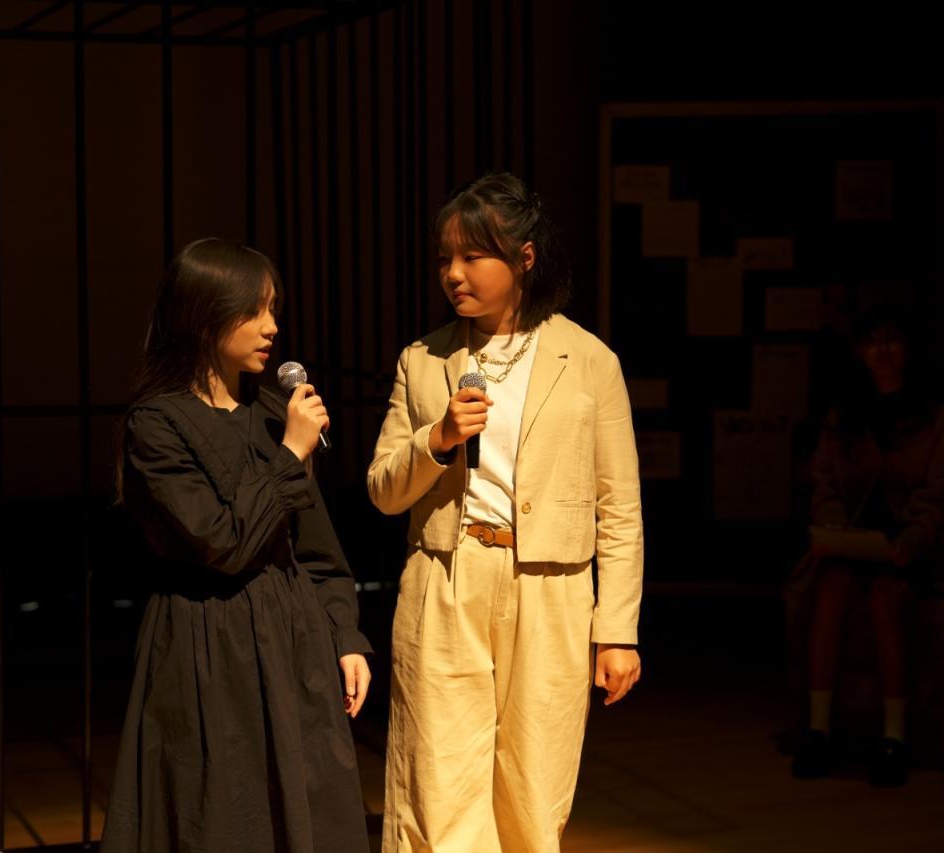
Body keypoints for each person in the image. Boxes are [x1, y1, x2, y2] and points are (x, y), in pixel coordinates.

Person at [367, 172, 644, 852]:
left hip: (551, 585)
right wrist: (437, 439)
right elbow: (382, 488)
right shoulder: (423, 359)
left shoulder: (589, 362)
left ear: (524, 258)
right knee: (436, 778)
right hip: (446, 575)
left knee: (533, 783)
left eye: (472, 256)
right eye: (444, 258)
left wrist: (617, 631)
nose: (453, 274)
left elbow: (619, 508)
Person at [101, 238, 373, 851]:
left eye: (273, 309)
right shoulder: (157, 424)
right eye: (253, 310)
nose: (271, 326)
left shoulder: (273, 411)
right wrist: (290, 454)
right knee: (224, 817)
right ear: (203, 315)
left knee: (308, 816)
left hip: (293, 641)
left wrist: (345, 637)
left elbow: (317, 551)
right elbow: (223, 543)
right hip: (207, 646)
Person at [792, 304, 944, 787]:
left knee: (887, 594)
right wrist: (835, 532)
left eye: (892, 340)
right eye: (872, 342)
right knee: (830, 589)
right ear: (859, 352)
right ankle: (818, 729)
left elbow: (938, 496)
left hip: (909, 551)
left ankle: (894, 735)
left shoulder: (932, 417)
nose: (882, 352)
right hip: (851, 545)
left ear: (908, 349)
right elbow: (824, 485)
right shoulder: (843, 415)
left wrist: (911, 540)